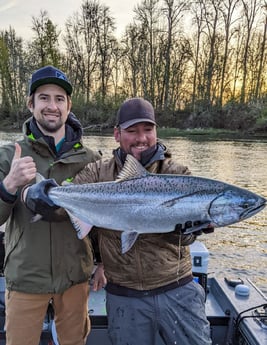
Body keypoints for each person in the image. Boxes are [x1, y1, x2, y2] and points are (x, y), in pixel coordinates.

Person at [24, 97, 213, 345]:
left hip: (176, 288)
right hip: (125, 295)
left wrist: (189, 232)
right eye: (132, 131)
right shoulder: (97, 172)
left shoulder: (177, 174)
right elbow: (66, 208)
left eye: (148, 130)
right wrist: (43, 198)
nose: (141, 138)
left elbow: (186, 236)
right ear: (117, 134)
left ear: (156, 131)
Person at [0, 65, 103, 345]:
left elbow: (101, 216)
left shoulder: (92, 159)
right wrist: (9, 185)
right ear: (31, 104)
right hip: (25, 276)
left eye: (59, 99)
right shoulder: (9, 154)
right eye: (44, 98)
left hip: (75, 276)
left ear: (69, 106)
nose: (52, 106)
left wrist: (102, 262)